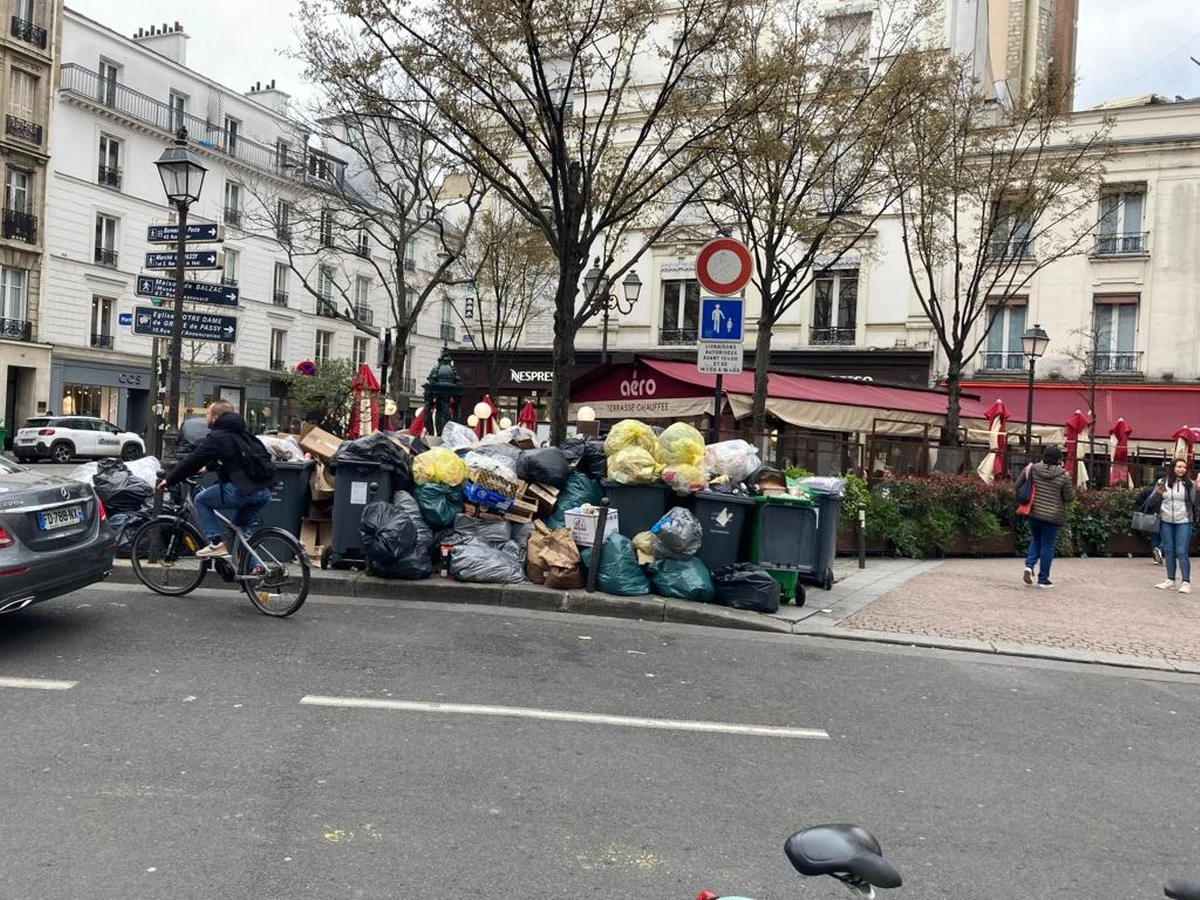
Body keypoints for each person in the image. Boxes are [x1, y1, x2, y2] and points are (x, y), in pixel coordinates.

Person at [155, 400, 274, 559]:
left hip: (242, 491)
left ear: (216, 417)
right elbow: (233, 459)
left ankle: (216, 543)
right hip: (263, 491)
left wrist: (169, 480)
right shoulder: (243, 434)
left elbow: (192, 461)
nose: (206, 419)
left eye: (208, 415)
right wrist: (208, 468)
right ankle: (256, 569)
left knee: (201, 500)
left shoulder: (218, 436)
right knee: (239, 529)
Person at [1018, 444, 1076, 588]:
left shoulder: (1033, 469)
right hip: (1053, 515)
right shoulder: (1064, 475)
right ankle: (1043, 579)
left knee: (1036, 539)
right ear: (1059, 459)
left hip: (1034, 512)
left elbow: (1018, 484)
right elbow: (1069, 497)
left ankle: (1029, 566)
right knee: (1047, 545)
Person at [1142, 458, 1195, 594]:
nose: (1181, 469)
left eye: (1184, 467)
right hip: (1166, 520)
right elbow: (1151, 501)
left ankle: (1186, 582)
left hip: (1184, 520)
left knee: (1181, 551)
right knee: (1169, 551)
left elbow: (1195, 502)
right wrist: (1158, 494)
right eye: (1179, 467)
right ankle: (1170, 579)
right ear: (1172, 468)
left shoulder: (1189, 484)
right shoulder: (1163, 482)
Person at [1135, 469, 1167, 565]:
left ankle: (1156, 557)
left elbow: (1138, 499)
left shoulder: (1149, 489)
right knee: (1165, 536)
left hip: (1152, 516)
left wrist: (1146, 507)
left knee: (1155, 537)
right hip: (1164, 515)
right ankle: (1160, 550)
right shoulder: (1164, 490)